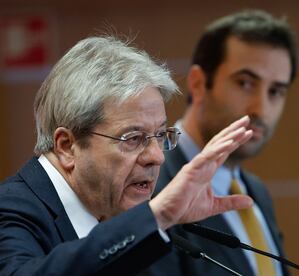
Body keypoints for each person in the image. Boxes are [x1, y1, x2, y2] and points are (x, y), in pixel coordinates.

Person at [0, 35, 255, 275]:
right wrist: (158, 215)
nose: (157, 157)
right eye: (133, 139)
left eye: (159, 135)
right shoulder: (9, 211)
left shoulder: (114, 215)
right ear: (67, 146)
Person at [145, 9, 298, 276]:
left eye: (275, 91)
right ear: (199, 83)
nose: (261, 108)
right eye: (246, 83)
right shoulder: (151, 185)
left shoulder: (256, 191)